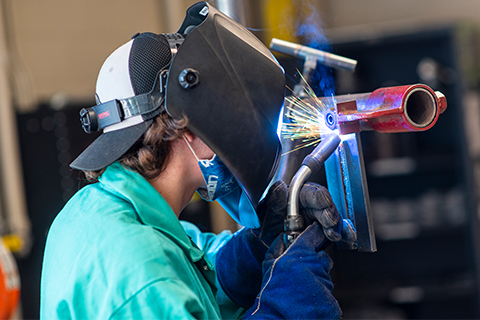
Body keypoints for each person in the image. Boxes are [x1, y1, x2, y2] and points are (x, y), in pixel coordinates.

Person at [40, 2, 356, 319]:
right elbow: (161, 282)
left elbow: (195, 270)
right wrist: (289, 307)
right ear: (187, 121)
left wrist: (256, 246)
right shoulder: (141, 273)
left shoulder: (100, 210)